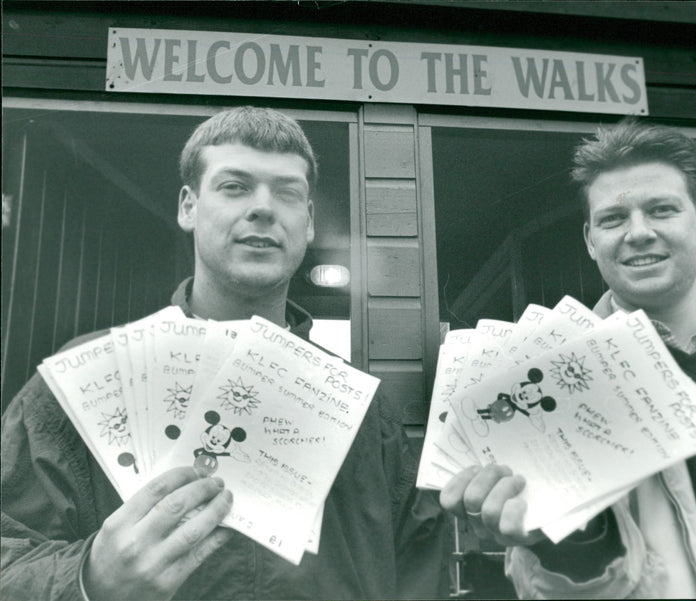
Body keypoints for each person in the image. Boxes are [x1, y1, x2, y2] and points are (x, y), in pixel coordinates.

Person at [1, 106, 448, 601]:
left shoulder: (364, 410)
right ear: (188, 207)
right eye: (235, 186)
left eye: (287, 192)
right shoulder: (85, 377)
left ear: (310, 222)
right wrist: (87, 579)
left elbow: (418, 564)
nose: (263, 208)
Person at [440, 119, 696, 598]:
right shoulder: (544, 393)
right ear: (591, 241)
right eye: (613, 219)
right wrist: (558, 544)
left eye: (661, 209)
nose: (638, 232)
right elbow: (548, 593)